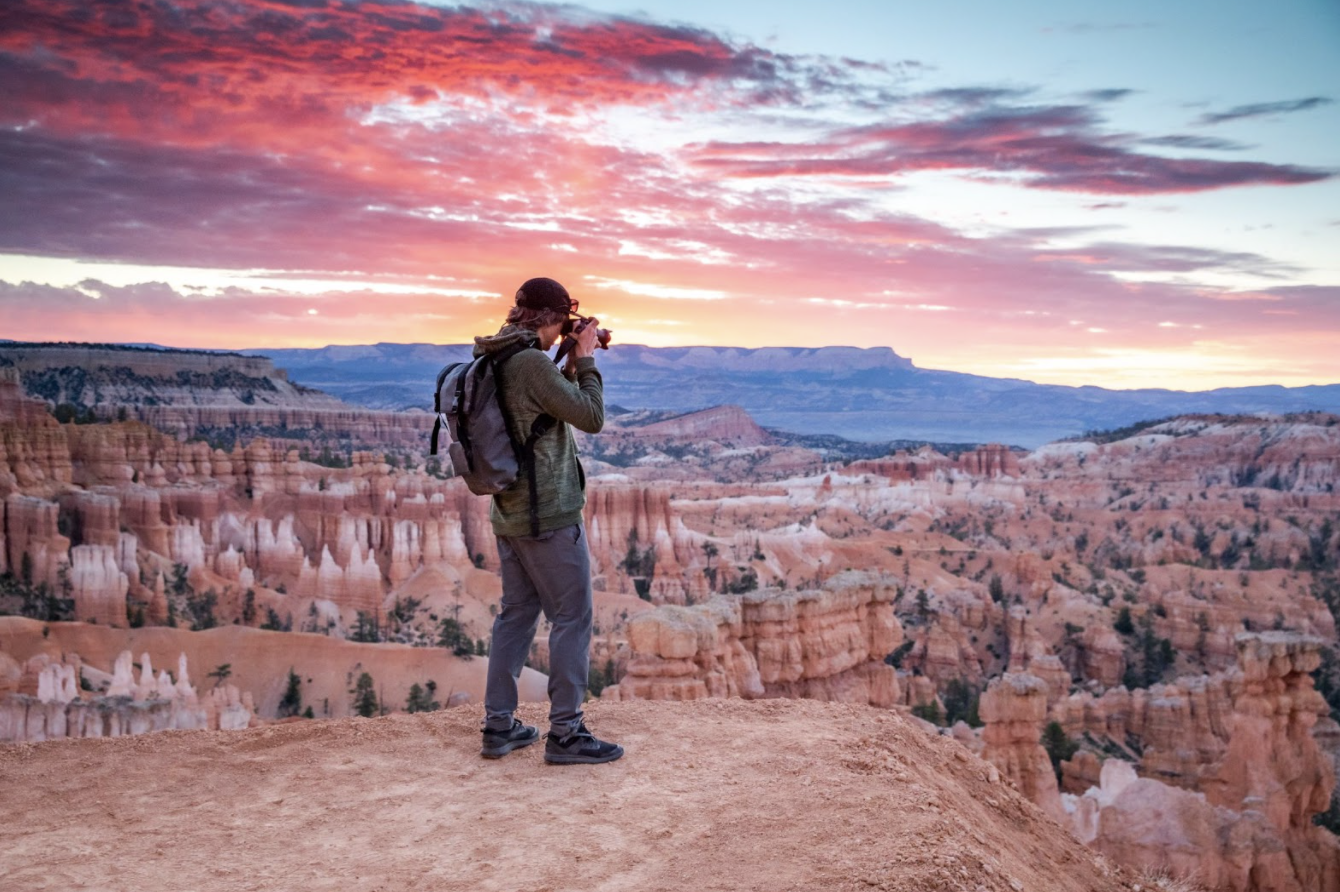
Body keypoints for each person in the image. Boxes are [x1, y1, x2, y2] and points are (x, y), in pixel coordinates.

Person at [476, 276, 623, 765]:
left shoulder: (497, 353)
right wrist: (587, 361)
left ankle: (499, 726)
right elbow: (590, 416)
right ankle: (567, 733)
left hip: (511, 514)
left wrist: (568, 354)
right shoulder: (531, 363)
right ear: (555, 318)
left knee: (516, 616)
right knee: (572, 617)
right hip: (549, 515)